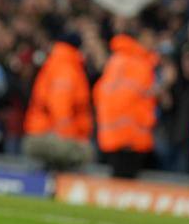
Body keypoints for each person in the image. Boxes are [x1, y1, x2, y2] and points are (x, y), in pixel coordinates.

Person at [93, 27, 159, 179]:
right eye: (150, 38)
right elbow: (133, 97)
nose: (153, 42)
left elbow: (102, 93)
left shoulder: (116, 60)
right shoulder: (139, 63)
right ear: (141, 39)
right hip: (131, 136)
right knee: (126, 182)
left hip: (112, 132)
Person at [23, 33, 93, 171]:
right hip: (51, 134)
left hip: (42, 131)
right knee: (87, 153)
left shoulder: (55, 62)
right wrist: (70, 138)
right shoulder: (66, 67)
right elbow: (60, 106)